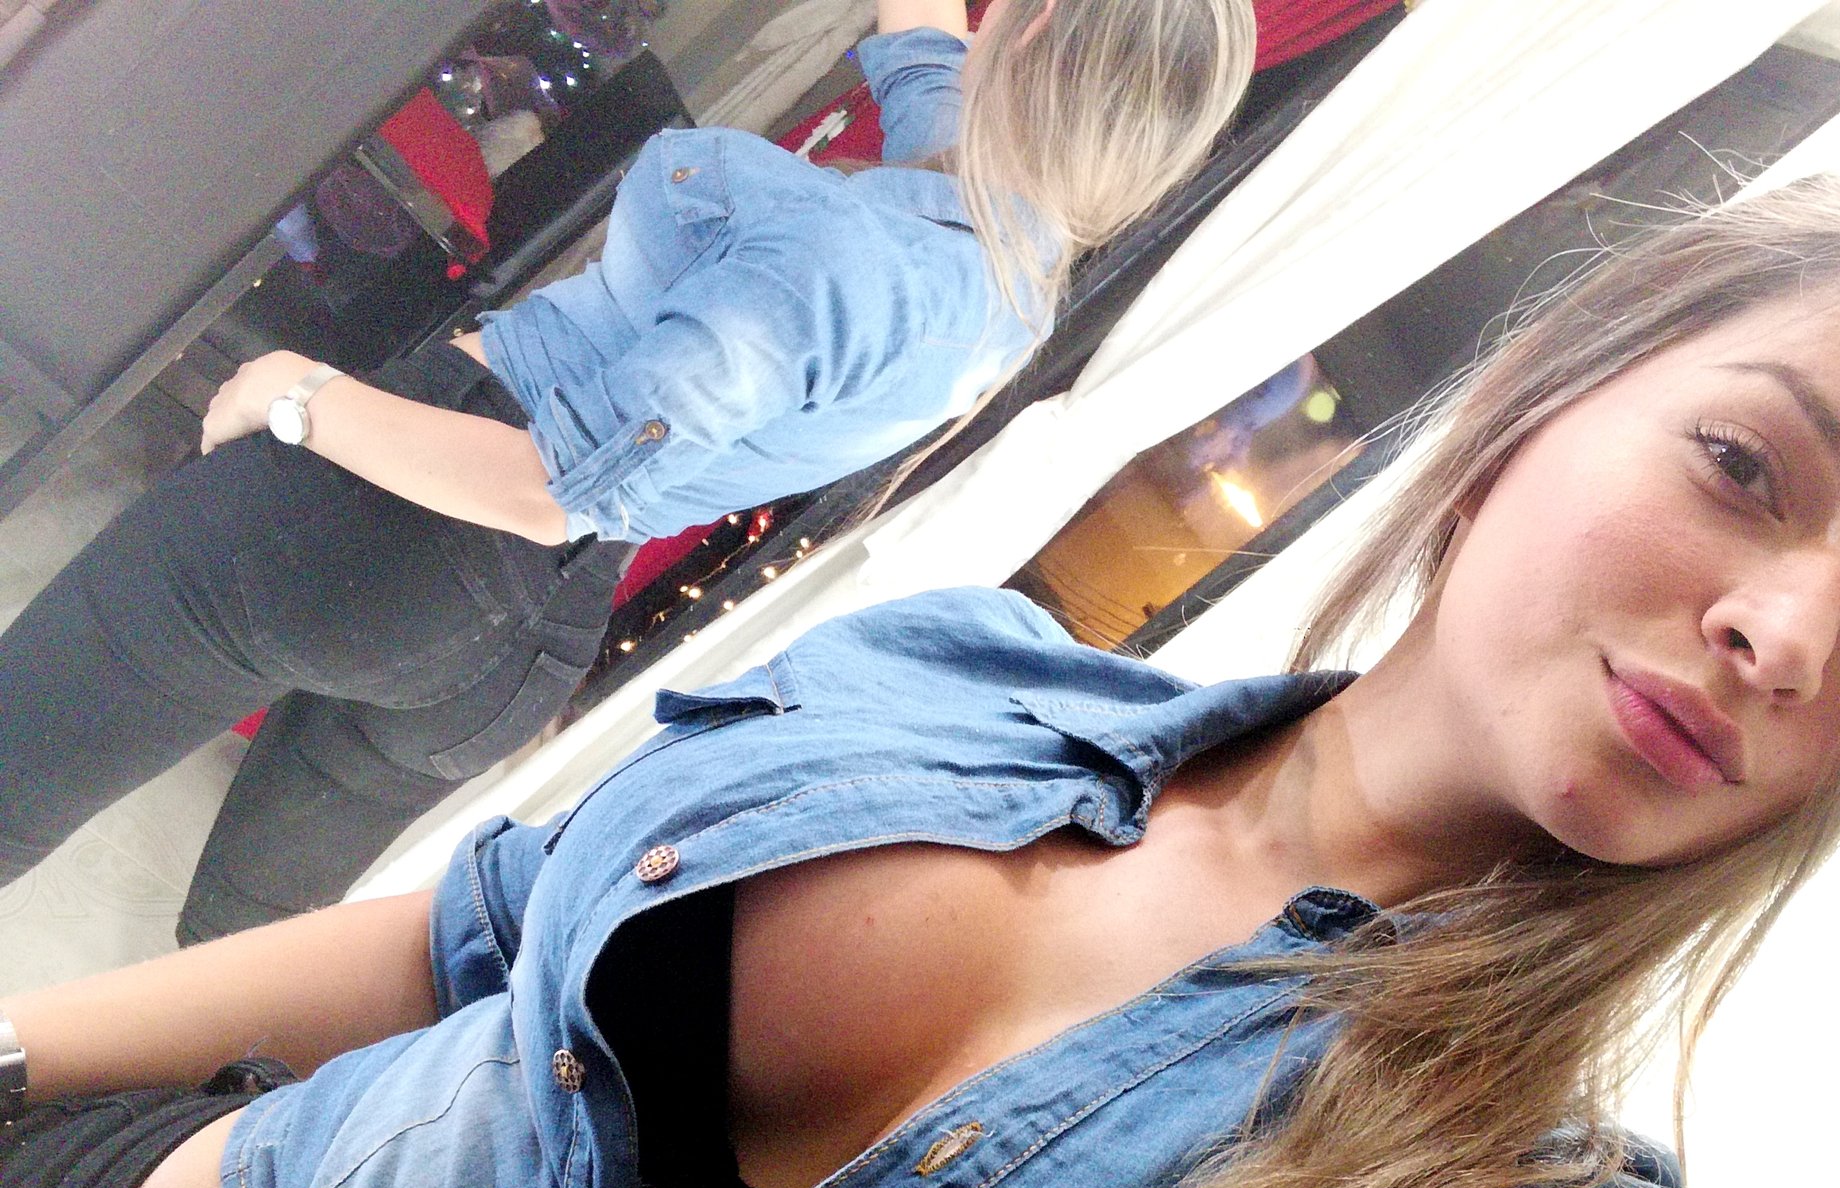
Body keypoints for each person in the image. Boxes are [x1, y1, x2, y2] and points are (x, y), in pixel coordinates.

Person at [5, 176, 1840, 1188]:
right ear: (1545, 404)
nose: (1786, 632)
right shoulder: (961, 670)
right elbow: (475, 930)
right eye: (1743, 467)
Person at [0, 0, 1257, 945]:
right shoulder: (1004, 263)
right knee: (242, 955)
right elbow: (922, 41)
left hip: (412, 510)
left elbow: (549, 485)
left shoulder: (850, 261)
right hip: (519, 642)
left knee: (19, 761)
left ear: (1032, 31)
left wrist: (300, 394)